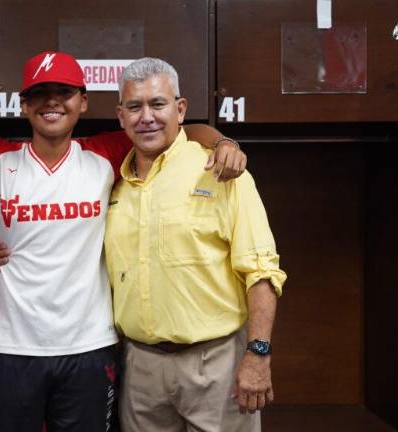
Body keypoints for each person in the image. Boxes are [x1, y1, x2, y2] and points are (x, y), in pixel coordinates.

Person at [0, 51, 246, 432]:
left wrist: (225, 143)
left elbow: (185, 132)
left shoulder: (105, 153)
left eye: (64, 92)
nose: (51, 102)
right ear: (23, 105)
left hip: (89, 345)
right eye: (39, 94)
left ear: (83, 102)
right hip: (6, 346)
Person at [104, 57, 287, 432]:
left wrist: (258, 354)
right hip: (139, 369)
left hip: (216, 365)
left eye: (158, 104)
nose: (147, 117)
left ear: (180, 109)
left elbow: (261, 271)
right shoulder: (111, 184)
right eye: (135, 107)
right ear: (121, 116)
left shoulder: (222, 171)